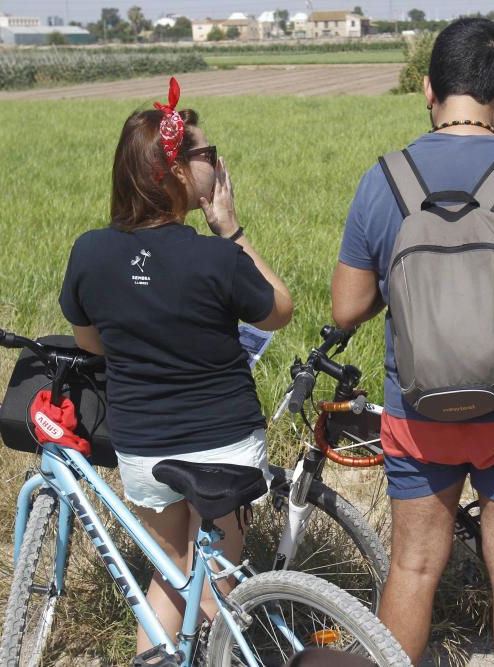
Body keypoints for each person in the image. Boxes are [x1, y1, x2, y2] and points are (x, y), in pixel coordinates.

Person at [330, 19, 494, 667]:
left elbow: (347, 308)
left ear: (427, 88)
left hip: (419, 413)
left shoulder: (384, 179)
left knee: (415, 567)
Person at [58, 78, 293, 656]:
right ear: (178, 173)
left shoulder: (89, 253)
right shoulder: (216, 256)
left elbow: (90, 346)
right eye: (208, 155)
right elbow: (279, 310)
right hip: (225, 447)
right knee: (218, 584)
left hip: (144, 449)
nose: (218, 163)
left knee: (170, 572)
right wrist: (230, 227)